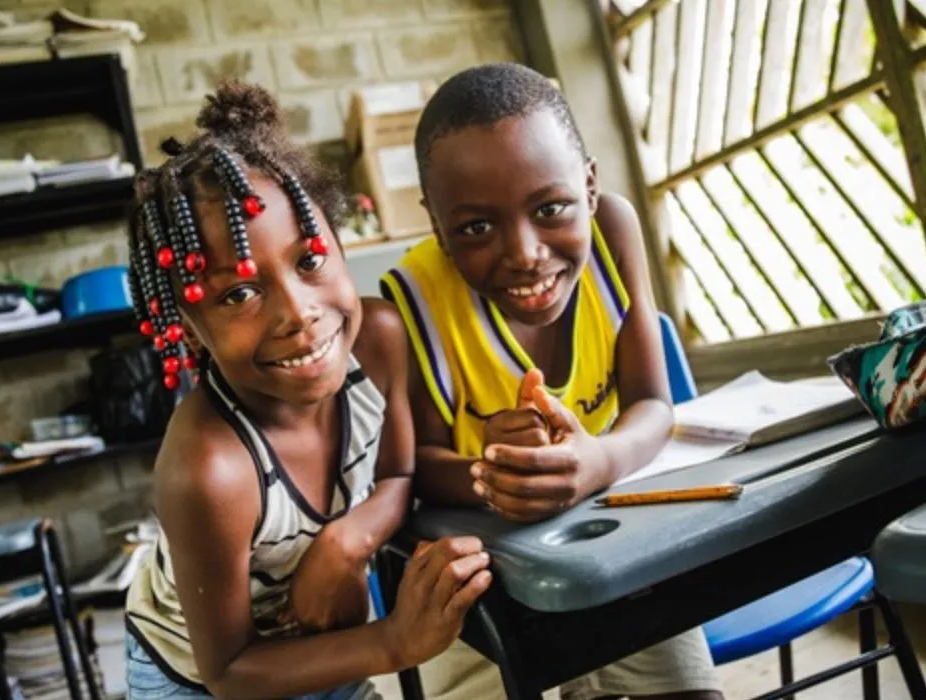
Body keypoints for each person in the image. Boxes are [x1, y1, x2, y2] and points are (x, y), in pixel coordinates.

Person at [123, 81, 492, 700]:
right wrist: (396, 642)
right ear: (190, 325)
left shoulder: (376, 340)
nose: (299, 313)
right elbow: (230, 670)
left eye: (310, 259)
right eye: (239, 294)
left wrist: (347, 542)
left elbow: (398, 474)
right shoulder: (209, 468)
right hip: (197, 678)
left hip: (320, 643)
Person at [380, 62, 724, 700]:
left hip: (611, 549)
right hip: (474, 585)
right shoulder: (415, 300)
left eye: (551, 207)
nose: (524, 252)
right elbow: (414, 469)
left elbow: (652, 401)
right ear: (436, 224)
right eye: (476, 228)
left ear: (590, 188)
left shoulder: (613, 234)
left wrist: (596, 460)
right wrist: (496, 471)